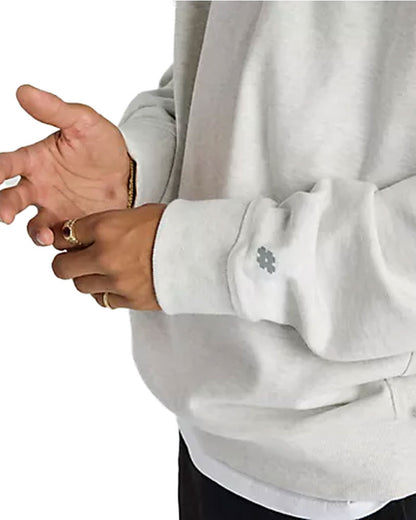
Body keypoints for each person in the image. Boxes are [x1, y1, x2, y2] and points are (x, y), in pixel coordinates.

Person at [1, 1, 416, 519]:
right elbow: (228, 64)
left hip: (353, 466)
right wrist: (137, 168)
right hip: (212, 430)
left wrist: (197, 256)